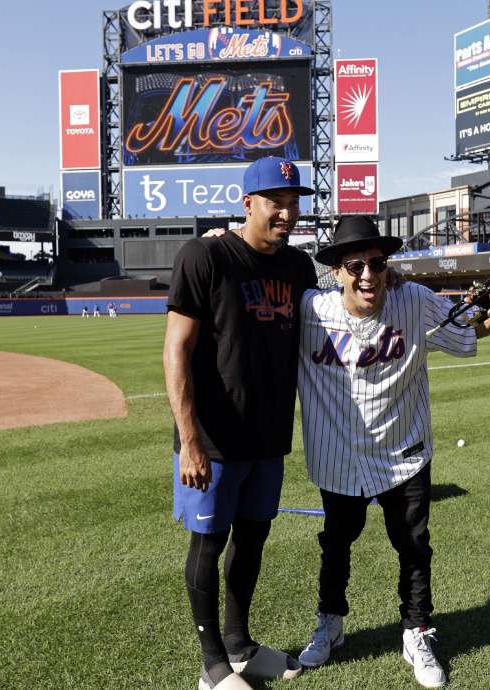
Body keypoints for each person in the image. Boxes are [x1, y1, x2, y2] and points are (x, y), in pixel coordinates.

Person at [294, 216, 490, 689]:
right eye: (355, 265)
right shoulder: (310, 310)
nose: (368, 275)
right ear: (337, 271)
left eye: (377, 263)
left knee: (413, 547)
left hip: (404, 450)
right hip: (338, 455)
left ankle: (416, 632)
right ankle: (330, 623)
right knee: (337, 543)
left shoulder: (414, 301)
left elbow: (468, 335)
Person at [164, 157, 317, 690]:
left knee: (252, 540)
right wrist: (189, 441)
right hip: (214, 438)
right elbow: (176, 352)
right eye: (275, 201)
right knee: (209, 542)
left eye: (294, 201)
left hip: (268, 435)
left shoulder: (299, 269)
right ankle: (212, 667)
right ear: (247, 203)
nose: (287, 211)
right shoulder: (205, 256)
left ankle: (240, 645)